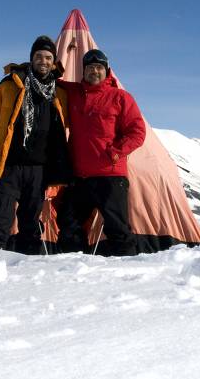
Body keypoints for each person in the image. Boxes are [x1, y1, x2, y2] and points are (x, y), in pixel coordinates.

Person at [0, 35, 70, 253]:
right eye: (39, 56)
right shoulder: (11, 85)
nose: (43, 61)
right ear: (31, 58)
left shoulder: (59, 93)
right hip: (8, 164)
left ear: (54, 61)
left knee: (31, 221)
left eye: (48, 57)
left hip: (39, 169)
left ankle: (27, 265)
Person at [56, 49, 146, 256]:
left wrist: (115, 152)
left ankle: (125, 271)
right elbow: (52, 80)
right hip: (79, 176)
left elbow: (137, 132)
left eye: (99, 68)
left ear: (107, 71)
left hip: (110, 176)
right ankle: (74, 265)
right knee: (68, 222)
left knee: (117, 228)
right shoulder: (74, 92)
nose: (94, 71)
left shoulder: (121, 97)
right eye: (89, 68)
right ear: (83, 71)